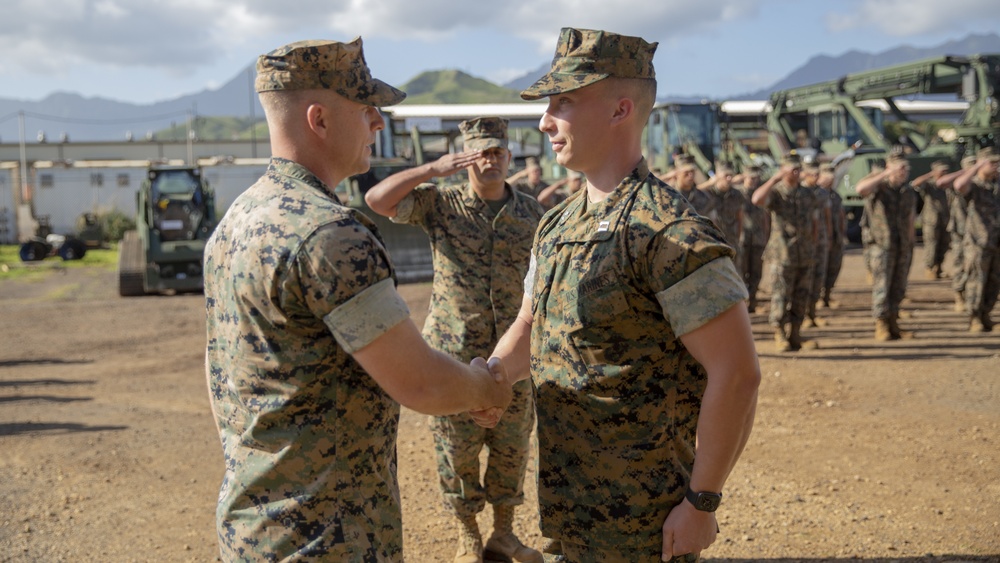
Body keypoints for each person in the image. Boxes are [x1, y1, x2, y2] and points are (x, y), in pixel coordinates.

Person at [203, 38, 512, 562]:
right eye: (366, 108)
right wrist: (487, 387)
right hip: (327, 536)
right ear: (319, 119)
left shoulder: (237, 221)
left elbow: (223, 378)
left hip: (255, 528)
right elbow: (421, 382)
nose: (378, 122)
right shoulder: (330, 234)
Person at [486, 27, 760, 562]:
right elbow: (529, 325)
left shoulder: (671, 232)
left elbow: (738, 372)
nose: (545, 121)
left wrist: (702, 504)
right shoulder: (556, 225)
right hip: (569, 506)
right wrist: (491, 375)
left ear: (620, 110)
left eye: (563, 103)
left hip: (642, 522)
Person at [364, 117, 544, 563]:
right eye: (481, 153)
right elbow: (377, 200)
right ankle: (467, 534)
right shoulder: (440, 205)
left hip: (513, 354)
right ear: (465, 157)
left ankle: (503, 534)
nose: (490, 161)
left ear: (509, 156)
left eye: (498, 153)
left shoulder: (532, 213)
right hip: (453, 351)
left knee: (512, 443)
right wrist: (431, 170)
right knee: (455, 447)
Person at [752, 152, 819, 352]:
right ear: (783, 170)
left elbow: (815, 220)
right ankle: (780, 335)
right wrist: (774, 178)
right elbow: (756, 199)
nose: (797, 172)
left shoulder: (807, 193)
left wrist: (813, 244)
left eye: (798, 169)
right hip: (783, 255)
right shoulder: (777, 192)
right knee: (781, 295)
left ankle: (795, 334)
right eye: (792, 169)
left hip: (805, 253)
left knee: (801, 296)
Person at [855, 153, 918, 341]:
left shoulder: (907, 191)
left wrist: (910, 244)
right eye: (901, 168)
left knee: (898, 286)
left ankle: (893, 323)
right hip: (882, 246)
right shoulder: (879, 187)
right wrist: (885, 174)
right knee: (882, 286)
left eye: (906, 168)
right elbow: (860, 189)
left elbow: (910, 219)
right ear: (890, 167)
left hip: (902, 245)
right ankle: (881, 325)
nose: (905, 172)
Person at [952, 147, 1000, 332]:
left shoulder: (997, 184)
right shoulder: (975, 185)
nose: (996, 166)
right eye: (992, 162)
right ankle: (974, 317)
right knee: (976, 281)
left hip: (997, 242)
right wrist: (975, 167)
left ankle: (986, 314)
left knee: (994, 281)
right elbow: (958, 185)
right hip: (978, 242)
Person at [801, 161, 832, 328]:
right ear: (804, 174)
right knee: (804, 280)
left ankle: (812, 313)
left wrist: (829, 237)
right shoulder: (799, 193)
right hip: (803, 243)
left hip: (819, 240)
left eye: (817, 174)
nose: (816, 177)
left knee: (818, 278)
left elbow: (827, 217)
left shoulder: (822, 193)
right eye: (812, 174)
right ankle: (802, 315)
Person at [699, 162, 745, 272]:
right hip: (713, 242)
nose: (729, 179)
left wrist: (738, 238)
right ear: (718, 176)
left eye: (731, 176)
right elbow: (693, 192)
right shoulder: (709, 193)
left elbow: (740, 218)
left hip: (731, 241)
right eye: (726, 175)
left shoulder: (736, 194)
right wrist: (710, 182)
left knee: (733, 273)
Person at [736, 165, 770, 311]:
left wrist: (767, 236)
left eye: (756, 178)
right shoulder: (737, 194)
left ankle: (753, 302)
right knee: (741, 272)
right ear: (744, 177)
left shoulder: (761, 194)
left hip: (758, 239)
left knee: (756, 272)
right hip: (742, 239)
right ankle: (743, 303)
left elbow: (766, 217)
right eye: (751, 178)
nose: (754, 181)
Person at [911, 160, 952, 279]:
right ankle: (929, 268)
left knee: (944, 244)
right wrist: (930, 174)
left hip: (946, 219)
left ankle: (938, 268)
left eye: (946, 170)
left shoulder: (948, 184)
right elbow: (915, 183)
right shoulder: (929, 184)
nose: (945, 172)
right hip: (931, 221)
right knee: (931, 245)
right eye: (942, 170)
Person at [817, 163, 846, 308]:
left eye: (832, 177)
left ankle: (827, 296)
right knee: (819, 269)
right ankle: (816, 299)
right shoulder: (815, 195)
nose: (830, 179)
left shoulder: (836, 196)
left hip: (836, 238)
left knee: (834, 267)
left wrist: (841, 234)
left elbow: (841, 215)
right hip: (821, 238)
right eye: (827, 176)